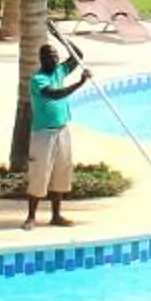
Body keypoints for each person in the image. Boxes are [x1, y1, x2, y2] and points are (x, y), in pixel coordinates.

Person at [23, 39, 93, 229]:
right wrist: (80, 83)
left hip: (62, 130)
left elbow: (78, 55)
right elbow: (55, 94)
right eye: (49, 57)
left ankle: (56, 215)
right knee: (40, 173)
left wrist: (62, 38)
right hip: (43, 134)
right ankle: (31, 217)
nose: (53, 59)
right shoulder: (38, 79)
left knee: (61, 172)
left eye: (55, 56)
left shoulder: (59, 70)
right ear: (41, 60)